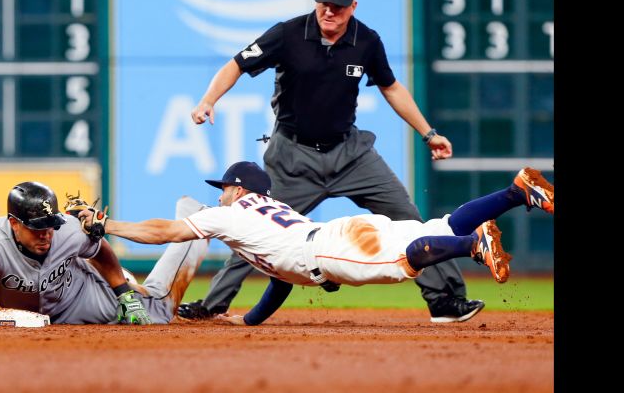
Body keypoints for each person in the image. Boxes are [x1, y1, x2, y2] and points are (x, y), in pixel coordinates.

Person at [184, 0, 477, 323]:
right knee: (254, 226)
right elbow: (236, 64)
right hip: (294, 157)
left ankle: (444, 301)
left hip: (351, 154)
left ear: (353, 5)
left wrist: (429, 134)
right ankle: (212, 305)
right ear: (316, 0)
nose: (329, 11)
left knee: (408, 216)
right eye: (324, 2)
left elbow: (391, 88)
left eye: (338, 5)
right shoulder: (288, 33)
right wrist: (208, 100)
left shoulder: (366, 41)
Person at [89, 161, 554, 326]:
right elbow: (281, 281)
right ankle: (515, 192)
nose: (219, 192)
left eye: (224, 186)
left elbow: (165, 232)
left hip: (327, 251)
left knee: (403, 262)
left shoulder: (228, 212)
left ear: (237, 188)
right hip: (332, 235)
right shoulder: (274, 212)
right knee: (442, 223)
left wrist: (110, 226)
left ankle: (474, 246)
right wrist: (250, 321)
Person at [0, 181, 209, 324]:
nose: (46, 234)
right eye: (37, 228)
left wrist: (124, 294)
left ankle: (196, 219)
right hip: (46, 318)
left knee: (162, 309)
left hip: (85, 297)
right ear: (13, 223)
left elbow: (100, 251)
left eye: (50, 226)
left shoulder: (69, 230)